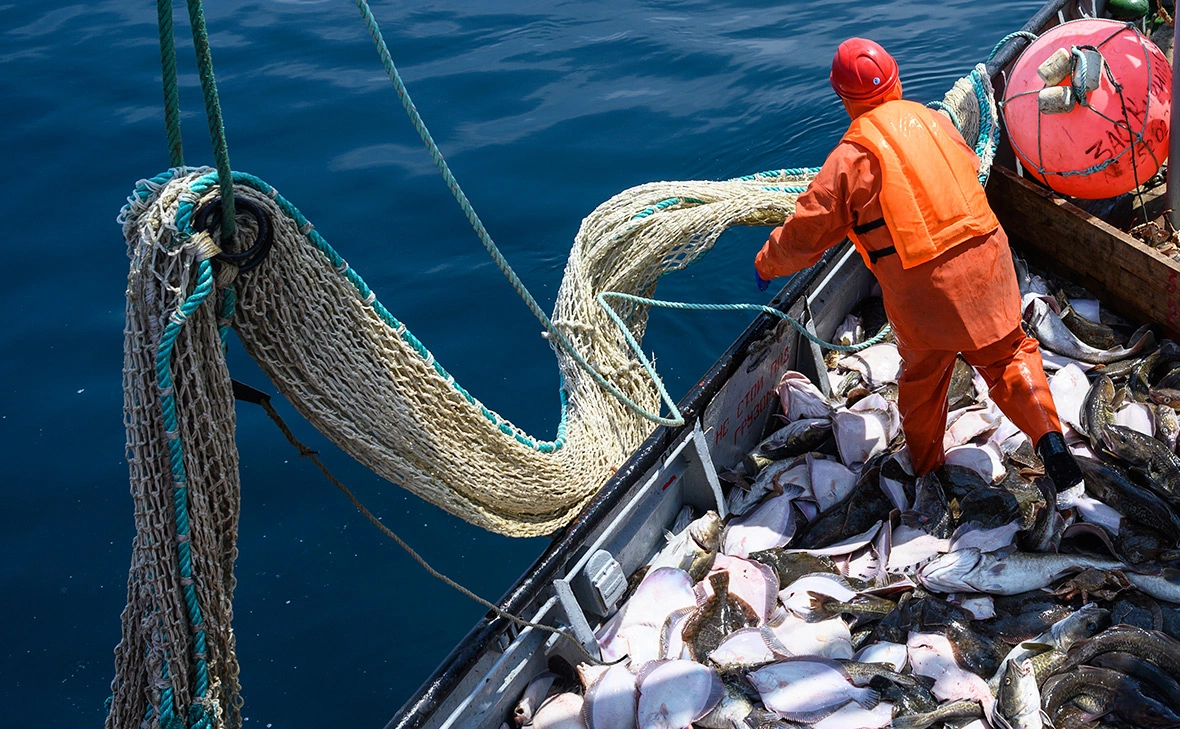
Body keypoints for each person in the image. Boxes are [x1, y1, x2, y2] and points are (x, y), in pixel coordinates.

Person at [754, 37, 1083, 490]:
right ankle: (1050, 441)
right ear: (897, 80)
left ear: (844, 98)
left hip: (926, 290)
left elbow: (805, 235)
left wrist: (766, 264)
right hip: (989, 260)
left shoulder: (849, 158)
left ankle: (928, 470)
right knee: (1009, 355)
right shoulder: (937, 122)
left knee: (924, 382)